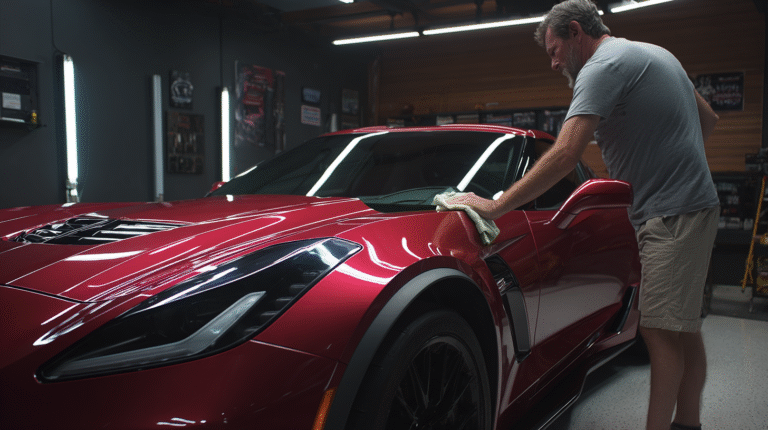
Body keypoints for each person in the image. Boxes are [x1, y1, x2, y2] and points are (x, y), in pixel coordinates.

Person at [447, 1, 720, 429]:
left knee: (660, 333)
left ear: (576, 32)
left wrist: (496, 205)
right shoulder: (654, 52)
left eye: (555, 50)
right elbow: (707, 121)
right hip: (695, 203)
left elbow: (565, 154)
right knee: (683, 330)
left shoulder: (600, 68)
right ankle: (688, 422)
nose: (554, 63)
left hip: (672, 212)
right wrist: (667, 156)